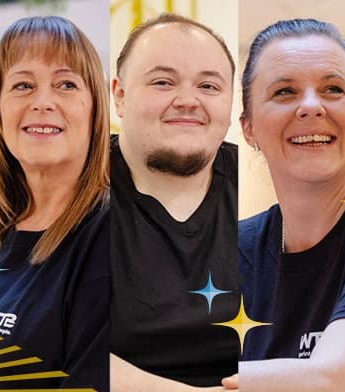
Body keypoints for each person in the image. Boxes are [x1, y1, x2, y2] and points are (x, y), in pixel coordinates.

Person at [225, 19, 345, 392]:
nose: (310, 106)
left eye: (333, 89)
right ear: (248, 128)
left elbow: (335, 381)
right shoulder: (227, 252)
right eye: (285, 92)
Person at [109, 13, 240, 391]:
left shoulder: (273, 184)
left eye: (209, 86)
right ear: (120, 95)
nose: (188, 101)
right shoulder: (73, 186)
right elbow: (50, 339)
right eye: (163, 82)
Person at [0, 16, 109, 391]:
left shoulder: (109, 233)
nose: (43, 102)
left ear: (94, 109)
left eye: (66, 84)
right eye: (23, 85)